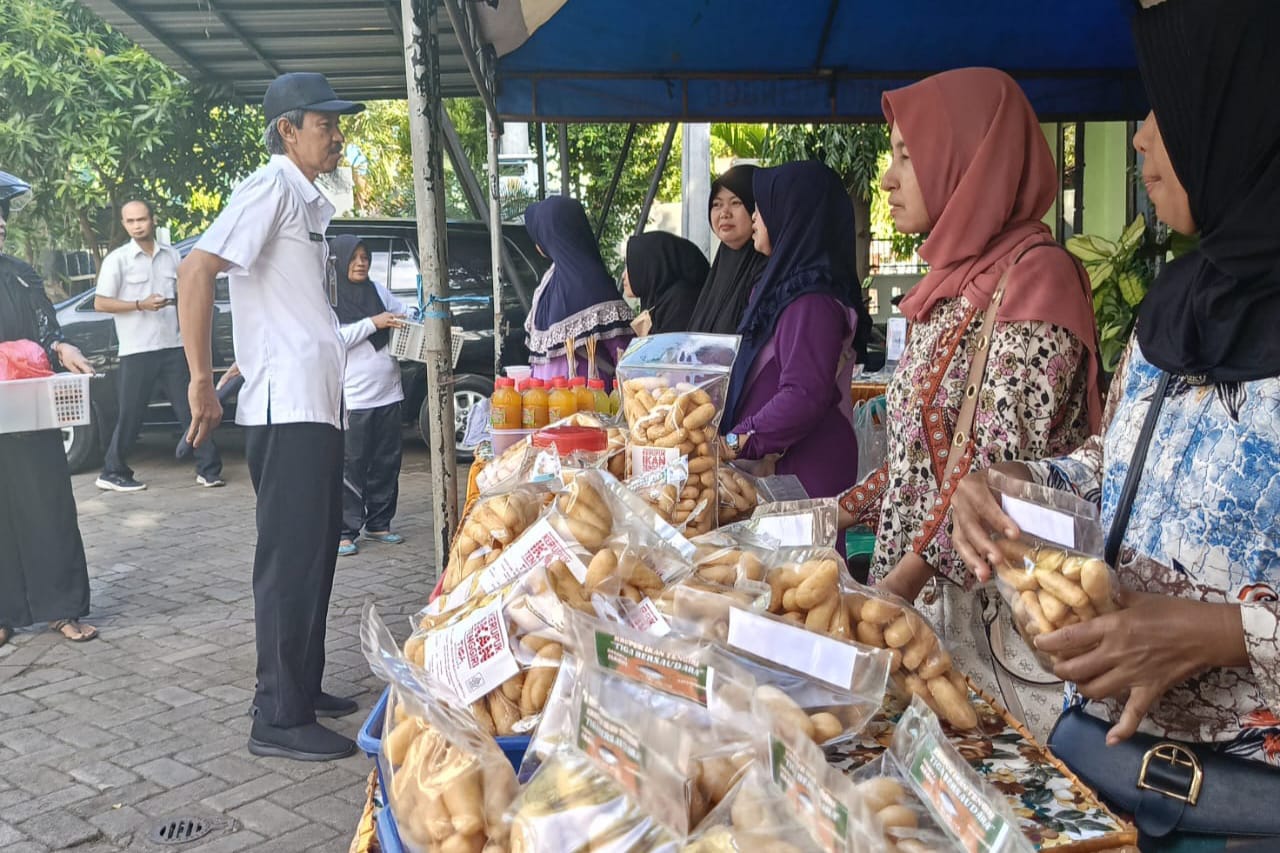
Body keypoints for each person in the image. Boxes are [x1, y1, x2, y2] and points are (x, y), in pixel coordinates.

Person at [952, 0, 1280, 796]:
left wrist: (1226, 633)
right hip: (1104, 761)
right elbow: (1115, 468)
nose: (1139, 136)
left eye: (1169, 107)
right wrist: (1016, 483)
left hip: (1244, 800)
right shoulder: (1180, 300)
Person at [834, 68, 1102, 738]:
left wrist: (891, 593)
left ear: (969, 160)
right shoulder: (948, 288)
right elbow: (920, 458)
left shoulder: (1037, 282)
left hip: (987, 624)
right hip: (916, 614)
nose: (888, 179)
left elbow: (991, 482)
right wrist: (833, 513)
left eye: (907, 156)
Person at [178, 72, 364, 762]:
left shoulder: (304, 201)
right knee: (289, 561)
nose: (336, 136)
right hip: (289, 412)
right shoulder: (271, 187)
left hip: (313, 404)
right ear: (287, 130)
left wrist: (242, 356)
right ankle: (278, 716)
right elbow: (195, 271)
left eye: (337, 124)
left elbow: (276, 302)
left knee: (315, 553)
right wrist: (202, 379)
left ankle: (301, 687)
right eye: (324, 124)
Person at [719, 160, 871, 499]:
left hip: (803, 472)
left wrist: (731, 443)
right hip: (779, 467)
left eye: (762, 206)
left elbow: (803, 396)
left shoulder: (811, 301)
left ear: (791, 212)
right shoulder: (786, 292)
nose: (754, 217)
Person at [0, 191, 98, 646]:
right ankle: (5, 613)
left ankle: (61, 608)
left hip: (29, 405)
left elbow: (47, 330)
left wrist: (62, 347)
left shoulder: (21, 274)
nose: (1, 224)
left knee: (48, 505)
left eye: (2, 216)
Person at [94, 200, 223, 492]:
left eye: (141, 219)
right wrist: (139, 304)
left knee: (192, 407)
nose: (137, 226)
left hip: (173, 345)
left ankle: (209, 469)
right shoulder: (118, 259)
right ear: (124, 224)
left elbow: (186, 295)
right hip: (137, 349)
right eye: (130, 221)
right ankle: (112, 471)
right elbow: (100, 303)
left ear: (153, 220)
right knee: (131, 414)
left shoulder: (172, 255)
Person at [331, 235, 408, 558]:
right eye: (353, 257)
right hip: (355, 398)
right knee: (352, 465)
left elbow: (405, 312)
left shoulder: (378, 291)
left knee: (386, 462)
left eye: (364, 257)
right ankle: (345, 531)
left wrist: (407, 318)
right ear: (338, 261)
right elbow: (334, 340)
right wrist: (373, 323)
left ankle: (379, 522)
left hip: (389, 392)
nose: (360, 263)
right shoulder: (330, 299)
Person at [523, 196, 633, 383]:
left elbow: (624, 357)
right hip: (552, 396)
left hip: (588, 398)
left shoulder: (577, 281)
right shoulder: (553, 280)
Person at [688, 164, 768, 335]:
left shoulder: (766, 268)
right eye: (716, 204)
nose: (724, 213)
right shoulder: (719, 269)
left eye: (735, 202)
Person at [622, 231, 708, 336]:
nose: (623, 275)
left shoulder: (681, 301)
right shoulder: (655, 299)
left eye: (630, 266)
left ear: (649, 267)